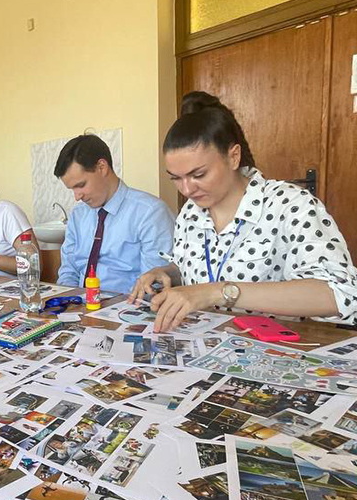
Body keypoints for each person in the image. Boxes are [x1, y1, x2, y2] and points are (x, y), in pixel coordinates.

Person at [129, 91, 357, 332]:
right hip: (204, 348)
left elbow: (341, 294)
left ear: (234, 156)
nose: (186, 189)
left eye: (199, 175)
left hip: (275, 353)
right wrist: (166, 274)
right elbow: (195, 268)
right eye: (176, 178)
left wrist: (220, 292)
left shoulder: (288, 204)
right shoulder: (190, 213)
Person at [54, 134, 175, 294]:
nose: (77, 196)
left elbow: (153, 284)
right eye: (72, 189)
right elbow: (69, 270)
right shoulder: (78, 215)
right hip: (80, 305)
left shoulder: (150, 213)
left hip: (128, 309)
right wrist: (69, 300)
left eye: (81, 185)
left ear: (102, 167)